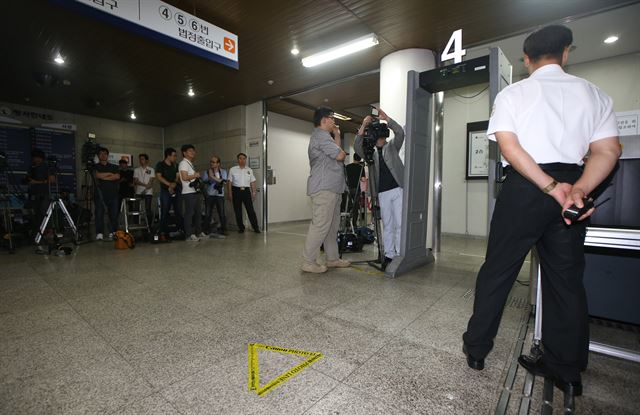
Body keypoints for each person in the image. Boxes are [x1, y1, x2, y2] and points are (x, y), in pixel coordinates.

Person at [462, 25, 621, 400]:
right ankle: (566, 369)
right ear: (566, 53)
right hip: (571, 190)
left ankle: (477, 350)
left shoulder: (514, 93)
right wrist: (576, 190)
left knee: (498, 269)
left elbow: (508, 145)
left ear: (526, 60)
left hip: (525, 187)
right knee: (565, 280)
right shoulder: (595, 95)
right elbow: (608, 151)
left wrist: (547, 186)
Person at [301, 106, 351, 273]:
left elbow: (335, 155)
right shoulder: (320, 136)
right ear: (324, 120)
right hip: (324, 188)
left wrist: (337, 134)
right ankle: (308, 261)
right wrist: (342, 152)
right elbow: (339, 156)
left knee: (331, 226)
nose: (334, 121)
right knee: (321, 225)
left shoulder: (326, 138)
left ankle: (332, 259)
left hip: (333, 188)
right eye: (332, 118)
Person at [354, 108, 405, 270]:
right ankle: (389, 255)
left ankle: (399, 254)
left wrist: (387, 119)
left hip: (397, 190)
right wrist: (363, 125)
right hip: (381, 193)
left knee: (399, 224)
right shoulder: (370, 153)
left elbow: (400, 133)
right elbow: (356, 147)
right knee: (388, 225)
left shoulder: (392, 147)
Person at [227, 153, 260, 233]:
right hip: (236, 191)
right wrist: (230, 193)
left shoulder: (249, 170)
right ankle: (241, 228)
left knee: (250, 210)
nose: (242, 160)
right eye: (240, 158)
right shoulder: (232, 169)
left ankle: (256, 227)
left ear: (246, 160)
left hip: (246, 191)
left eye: (244, 158)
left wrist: (254, 192)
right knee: (238, 210)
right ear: (237, 160)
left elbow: (253, 182)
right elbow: (229, 182)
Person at [94, 147, 120, 241]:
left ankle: (112, 232)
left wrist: (103, 177)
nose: (103, 155)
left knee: (113, 214)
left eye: (105, 153)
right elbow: (97, 175)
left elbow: (116, 176)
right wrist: (109, 174)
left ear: (107, 155)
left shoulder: (114, 166)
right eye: (101, 153)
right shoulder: (95, 166)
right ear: (98, 156)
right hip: (100, 194)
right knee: (99, 214)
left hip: (113, 194)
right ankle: (99, 233)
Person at [179, 144, 204, 241]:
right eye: (190, 151)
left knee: (198, 212)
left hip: (195, 191)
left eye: (193, 150)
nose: (193, 152)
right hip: (188, 192)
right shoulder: (183, 163)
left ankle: (198, 232)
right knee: (189, 213)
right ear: (184, 153)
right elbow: (184, 177)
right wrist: (195, 175)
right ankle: (189, 235)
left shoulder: (189, 163)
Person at [155, 147, 182, 240]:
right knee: (165, 211)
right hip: (165, 191)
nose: (175, 158)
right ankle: (163, 232)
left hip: (176, 190)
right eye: (174, 156)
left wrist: (174, 183)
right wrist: (169, 185)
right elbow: (159, 177)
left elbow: (177, 177)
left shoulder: (176, 165)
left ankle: (179, 230)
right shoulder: (160, 164)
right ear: (168, 156)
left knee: (178, 210)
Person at [26, 149, 54, 232]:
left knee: (45, 213)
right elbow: (28, 178)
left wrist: (37, 182)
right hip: (33, 194)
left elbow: (52, 180)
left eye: (37, 158)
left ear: (41, 158)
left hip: (44, 194)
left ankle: (49, 232)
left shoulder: (46, 167)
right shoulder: (31, 167)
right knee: (36, 214)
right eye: (34, 158)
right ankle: (39, 232)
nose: (35, 160)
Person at [202, 155, 228, 236]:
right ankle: (206, 230)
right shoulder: (207, 172)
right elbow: (204, 181)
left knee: (222, 213)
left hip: (220, 194)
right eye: (211, 162)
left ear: (218, 163)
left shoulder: (223, 171)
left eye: (214, 162)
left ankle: (224, 229)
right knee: (208, 213)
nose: (212, 164)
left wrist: (212, 177)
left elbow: (224, 181)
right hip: (210, 194)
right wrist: (212, 179)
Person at [344, 153, 367, 228]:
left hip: (348, 189)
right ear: (360, 159)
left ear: (353, 158)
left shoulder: (347, 167)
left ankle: (347, 223)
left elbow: (344, 178)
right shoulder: (361, 168)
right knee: (355, 207)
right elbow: (363, 179)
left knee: (348, 206)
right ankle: (354, 224)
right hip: (357, 189)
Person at [133, 153, 155, 223]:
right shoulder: (136, 170)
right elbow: (136, 181)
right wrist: (145, 185)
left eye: (142, 159)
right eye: (140, 159)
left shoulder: (151, 169)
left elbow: (151, 182)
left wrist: (145, 189)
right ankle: (136, 223)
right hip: (138, 192)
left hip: (148, 192)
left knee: (148, 208)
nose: (140, 160)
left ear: (147, 160)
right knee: (136, 208)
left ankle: (149, 225)